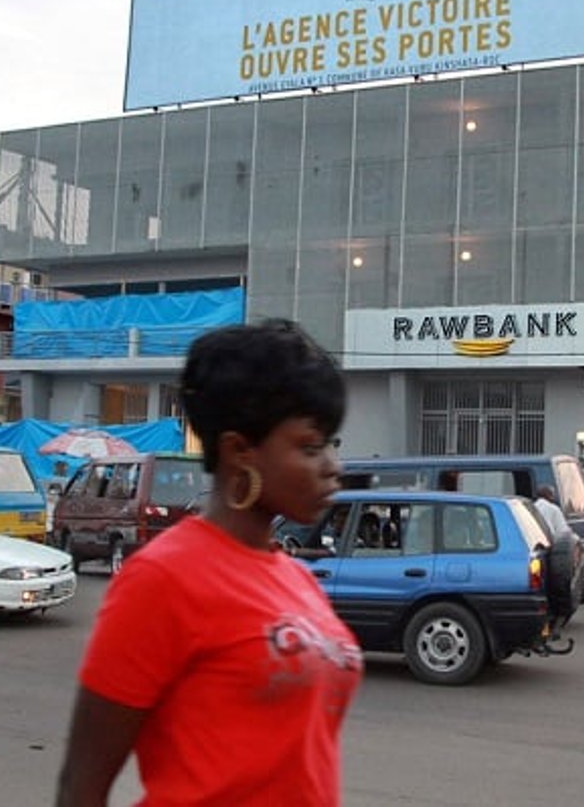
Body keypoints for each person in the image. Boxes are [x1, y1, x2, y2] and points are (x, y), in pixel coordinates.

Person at [56, 320, 362, 807]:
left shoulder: (296, 577)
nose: (333, 465)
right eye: (309, 446)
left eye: (332, 444)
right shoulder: (163, 579)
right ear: (240, 451)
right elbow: (80, 787)